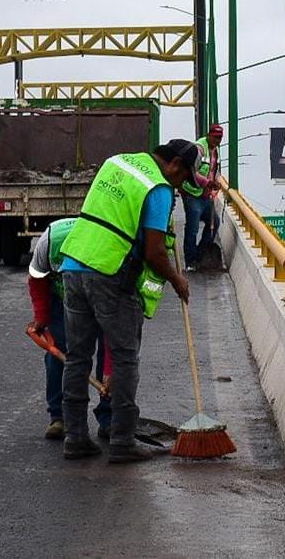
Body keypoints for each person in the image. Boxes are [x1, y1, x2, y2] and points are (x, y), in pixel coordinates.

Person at [57, 140, 198, 462]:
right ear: (175, 164)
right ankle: (122, 440)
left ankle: (75, 437)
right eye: (183, 178)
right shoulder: (158, 188)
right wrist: (177, 280)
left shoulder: (117, 162)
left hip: (74, 263)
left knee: (77, 357)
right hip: (109, 273)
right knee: (124, 359)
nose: (180, 187)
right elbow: (154, 252)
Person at [27, 217, 112, 440]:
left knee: (112, 352)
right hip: (61, 299)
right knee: (59, 352)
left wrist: (111, 370)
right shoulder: (49, 242)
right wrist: (41, 318)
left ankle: (109, 418)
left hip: (104, 293)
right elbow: (36, 278)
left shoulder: (106, 245)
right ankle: (59, 417)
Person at [180, 124, 223, 271]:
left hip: (205, 196)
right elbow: (192, 171)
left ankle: (200, 254)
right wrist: (206, 182)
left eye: (220, 138)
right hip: (193, 193)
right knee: (192, 228)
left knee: (214, 222)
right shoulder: (199, 149)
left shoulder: (215, 152)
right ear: (209, 135)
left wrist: (216, 182)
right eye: (216, 137)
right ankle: (190, 261)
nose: (218, 141)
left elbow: (213, 171)